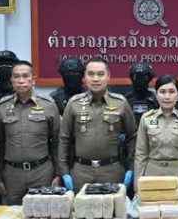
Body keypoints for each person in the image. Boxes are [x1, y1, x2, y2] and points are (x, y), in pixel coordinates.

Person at [57, 57, 137, 190]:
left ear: (108, 76)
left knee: (113, 204)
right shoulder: (74, 103)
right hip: (81, 172)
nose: (95, 79)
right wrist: (64, 171)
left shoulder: (120, 103)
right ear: (84, 77)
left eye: (100, 74)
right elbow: (64, 139)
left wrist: (132, 167)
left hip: (112, 171)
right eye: (91, 74)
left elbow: (132, 136)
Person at [0, 60, 61, 205]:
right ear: (11, 80)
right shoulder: (2, 106)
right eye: (16, 76)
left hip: (42, 172)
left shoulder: (48, 105)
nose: (21, 81)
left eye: (25, 76)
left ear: (33, 79)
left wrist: (59, 174)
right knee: (13, 214)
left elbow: (57, 142)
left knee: (42, 213)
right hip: (12, 174)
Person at [134, 75, 178, 185]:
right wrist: (138, 186)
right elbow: (140, 155)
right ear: (156, 95)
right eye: (162, 92)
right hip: (152, 174)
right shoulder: (146, 119)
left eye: (171, 92)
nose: (167, 96)